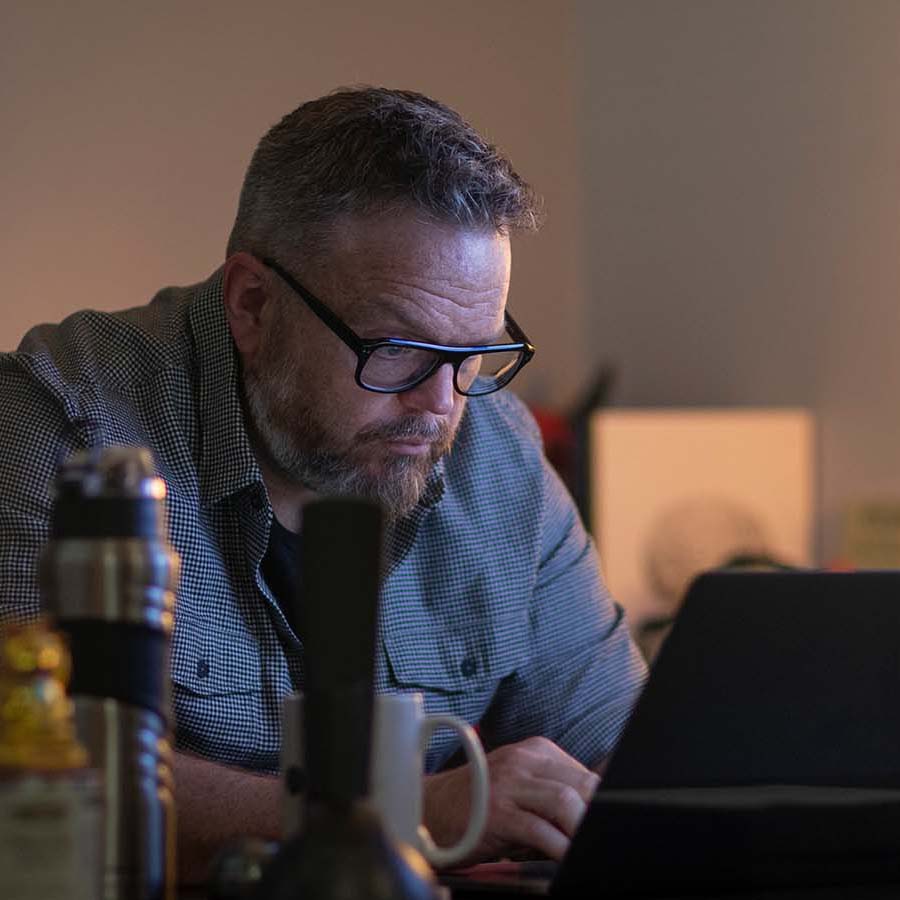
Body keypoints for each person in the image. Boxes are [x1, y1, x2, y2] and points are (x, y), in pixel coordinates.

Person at [0, 87, 647, 879]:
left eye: (472, 354)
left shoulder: (501, 456)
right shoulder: (64, 426)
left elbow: (626, 764)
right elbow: (29, 783)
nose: (441, 406)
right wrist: (404, 812)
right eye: (398, 349)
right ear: (252, 304)